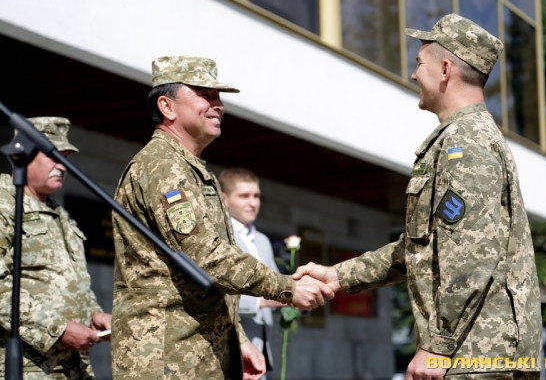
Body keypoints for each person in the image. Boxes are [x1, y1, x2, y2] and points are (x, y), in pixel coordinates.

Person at [294, 14, 542, 379]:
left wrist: (437, 346)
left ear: (445, 69)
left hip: (476, 354)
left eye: (419, 63)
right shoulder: (461, 138)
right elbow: (422, 249)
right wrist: (337, 276)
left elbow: (472, 256)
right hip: (473, 351)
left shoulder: (465, 142)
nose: (413, 75)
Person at [110, 56, 334, 380]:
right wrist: (286, 287)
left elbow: (205, 279)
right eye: (206, 95)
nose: (219, 106)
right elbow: (207, 256)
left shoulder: (189, 168)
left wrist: (237, 339)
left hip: (196, 353)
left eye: (219, 97)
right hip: (166, 358)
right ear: (167, 106)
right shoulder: (162, 167)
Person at [0, 116, 112, 378]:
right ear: (23, 155)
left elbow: (70, 280)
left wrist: (93, 314)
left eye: (65, 158)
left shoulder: (59, 213)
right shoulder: (4, 203)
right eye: (53, 156)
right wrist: (58, 328)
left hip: (72, 366)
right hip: (26, 366)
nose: (62, 166)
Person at [220, 167, 295, 379]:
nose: (253, 203)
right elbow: (216, 291)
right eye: (244, 196)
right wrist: (261, 302)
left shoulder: (262, 240)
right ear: (224, 199)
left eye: (256, 196)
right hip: (228, 351)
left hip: (261, 350)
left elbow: (275, 286)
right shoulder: (220, 237)